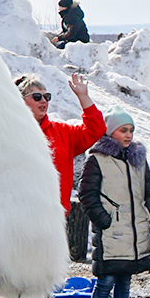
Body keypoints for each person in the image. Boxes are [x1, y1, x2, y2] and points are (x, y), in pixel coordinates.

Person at [76, 112, 150, 298]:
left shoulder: (138, 160)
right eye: (123, 130)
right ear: (110, 132)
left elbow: (148, 188)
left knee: (125, 281)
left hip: (132, 232)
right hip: (111, 233)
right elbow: (87, 194)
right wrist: (104, 220)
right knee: (105, 281)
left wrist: (148, 212)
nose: (128, 135)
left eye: (131, 130)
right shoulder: (97, 160)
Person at [17, 71, 106, 215]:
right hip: (17, 214)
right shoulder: (9, 132)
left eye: (46, 97)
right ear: (20, 100)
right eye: (37, 97)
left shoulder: (62, 132)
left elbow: (96, 129)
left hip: (53, 218)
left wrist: (83, 96)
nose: (44, 101)